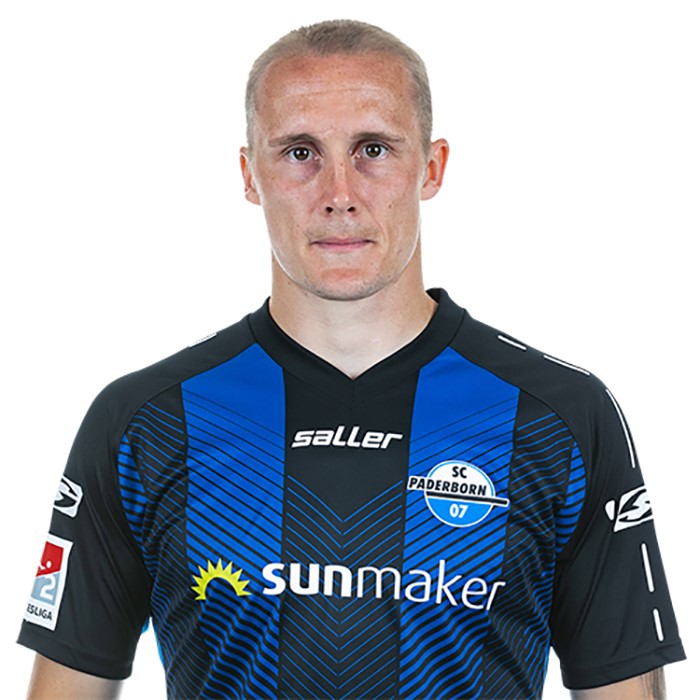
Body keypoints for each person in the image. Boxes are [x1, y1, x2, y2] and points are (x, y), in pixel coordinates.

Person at [18, 18, 685, 700]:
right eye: (299, 152)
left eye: (373, 149)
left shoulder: (559, 417)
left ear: (432, 167)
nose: (339, 194)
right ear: (250, 175)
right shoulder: (147, 422)